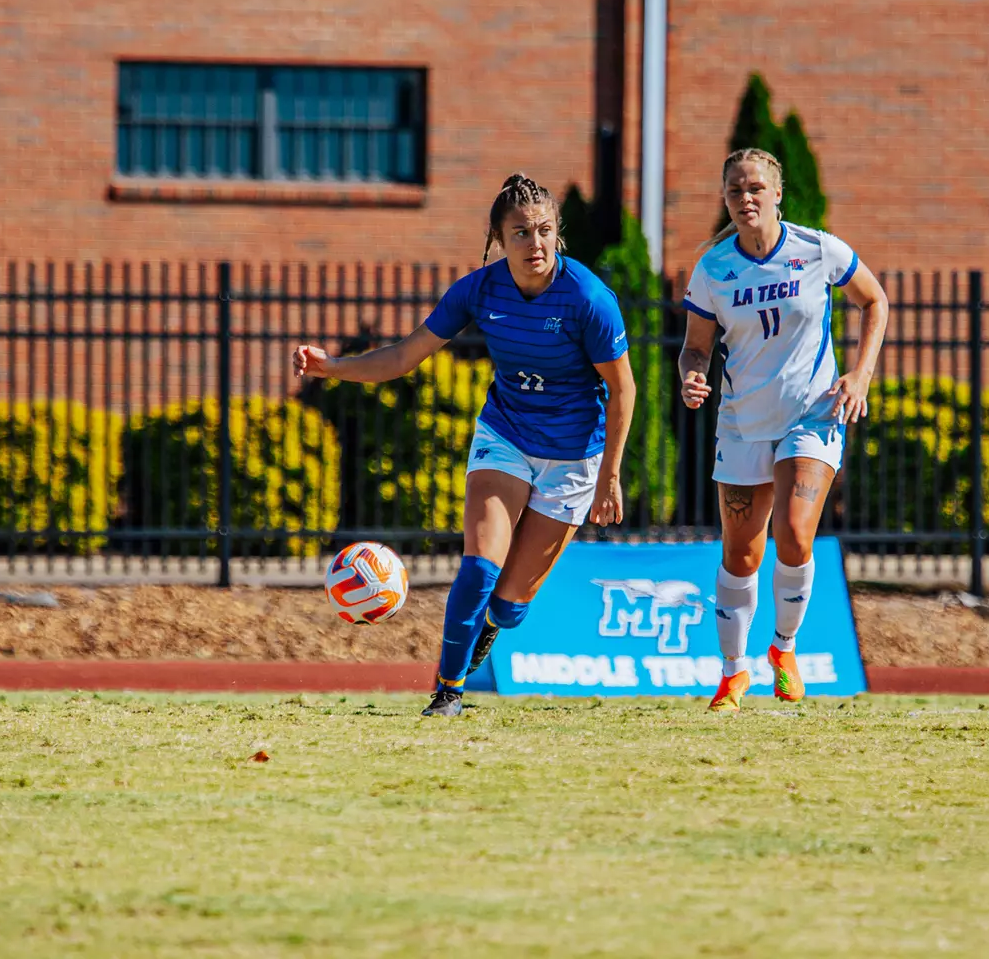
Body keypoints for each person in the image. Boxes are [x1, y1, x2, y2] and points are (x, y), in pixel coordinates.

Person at [294, 174, 636, 716]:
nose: (535, 243)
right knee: (478, 568)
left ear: (558, 235)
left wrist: (610, 476)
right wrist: (330, 367)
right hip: (506, 438)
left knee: (508, 606)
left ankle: (491, 629)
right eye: (520, 233)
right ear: (499, 240)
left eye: (545, 230)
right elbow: (404, 356)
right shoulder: (480, 289)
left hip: (574, 458)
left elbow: (623, 389)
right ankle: (447, 692)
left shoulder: (589, 299)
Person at [679, 148, 889, 711]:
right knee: (740, 557)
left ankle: (785, 649)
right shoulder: (713, 269)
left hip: (810, 416)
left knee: (795, 535)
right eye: (734, 191)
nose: (744, 199)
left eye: (755, 189)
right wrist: (693, 378)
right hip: (743, 422)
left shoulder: (818, 249)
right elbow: (695, 350)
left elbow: (875, 301)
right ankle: (732, 673)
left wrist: (860, 375)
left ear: (777, 194)